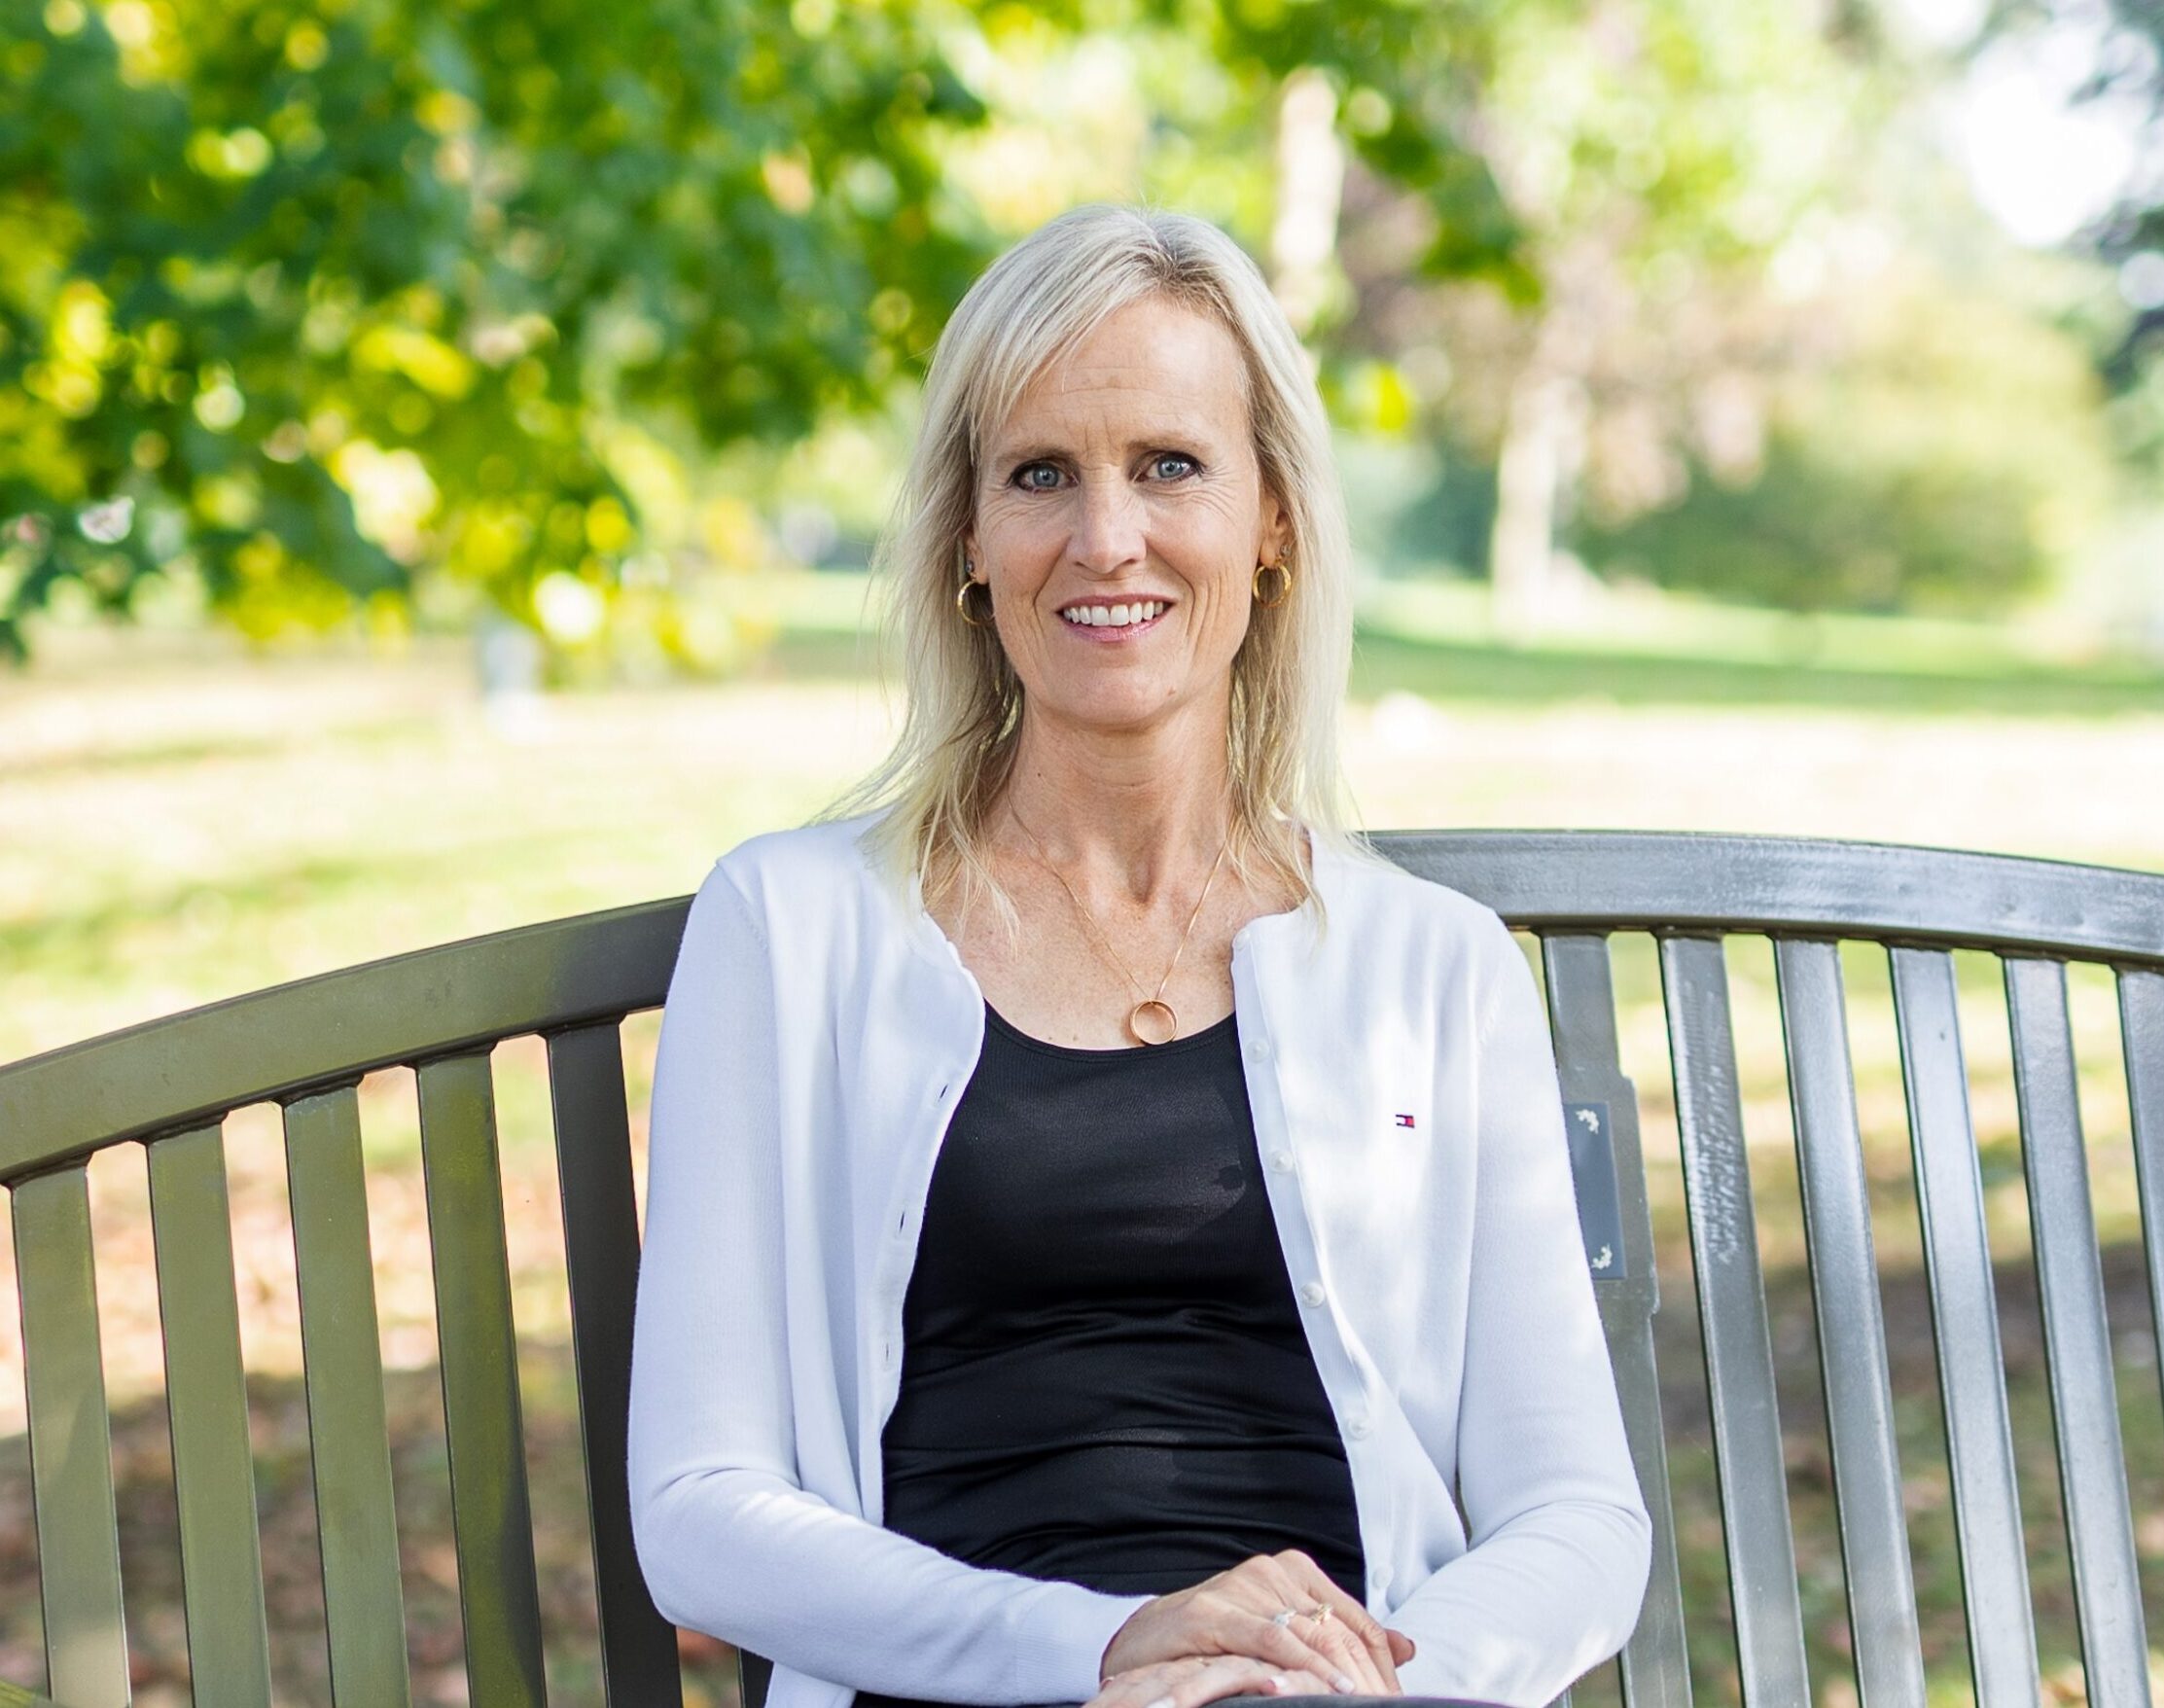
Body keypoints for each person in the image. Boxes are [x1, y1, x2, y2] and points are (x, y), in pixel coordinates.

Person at [626, 205, 1651, 1708]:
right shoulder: (792, 931)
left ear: (1273, 520)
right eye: (1040, 475)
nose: (1106, 539)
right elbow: (702, 1510)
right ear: (966, 540)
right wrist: (1103, 1646)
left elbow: (1577, 1520)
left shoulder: (1431, 970)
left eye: (1168, 466)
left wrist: (1346, 1685)